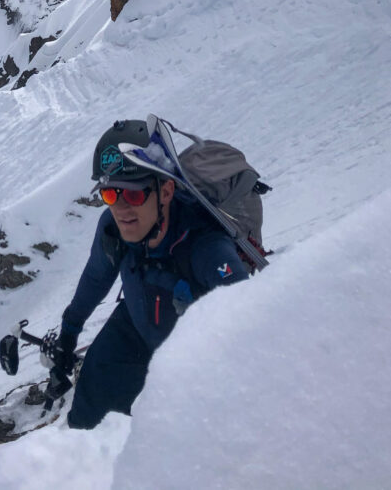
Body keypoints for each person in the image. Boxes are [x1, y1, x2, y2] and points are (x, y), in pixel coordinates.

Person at [47, 118, 249, 429]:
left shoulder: (207, 248)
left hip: (189, 359)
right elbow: (96, 277)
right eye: (111, 194)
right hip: (139, 317)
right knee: (90, 396)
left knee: (159, 420)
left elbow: (248, 327)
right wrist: (68, 333)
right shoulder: (113, 228)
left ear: (166, 191)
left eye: (135, 194)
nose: (122, 208)